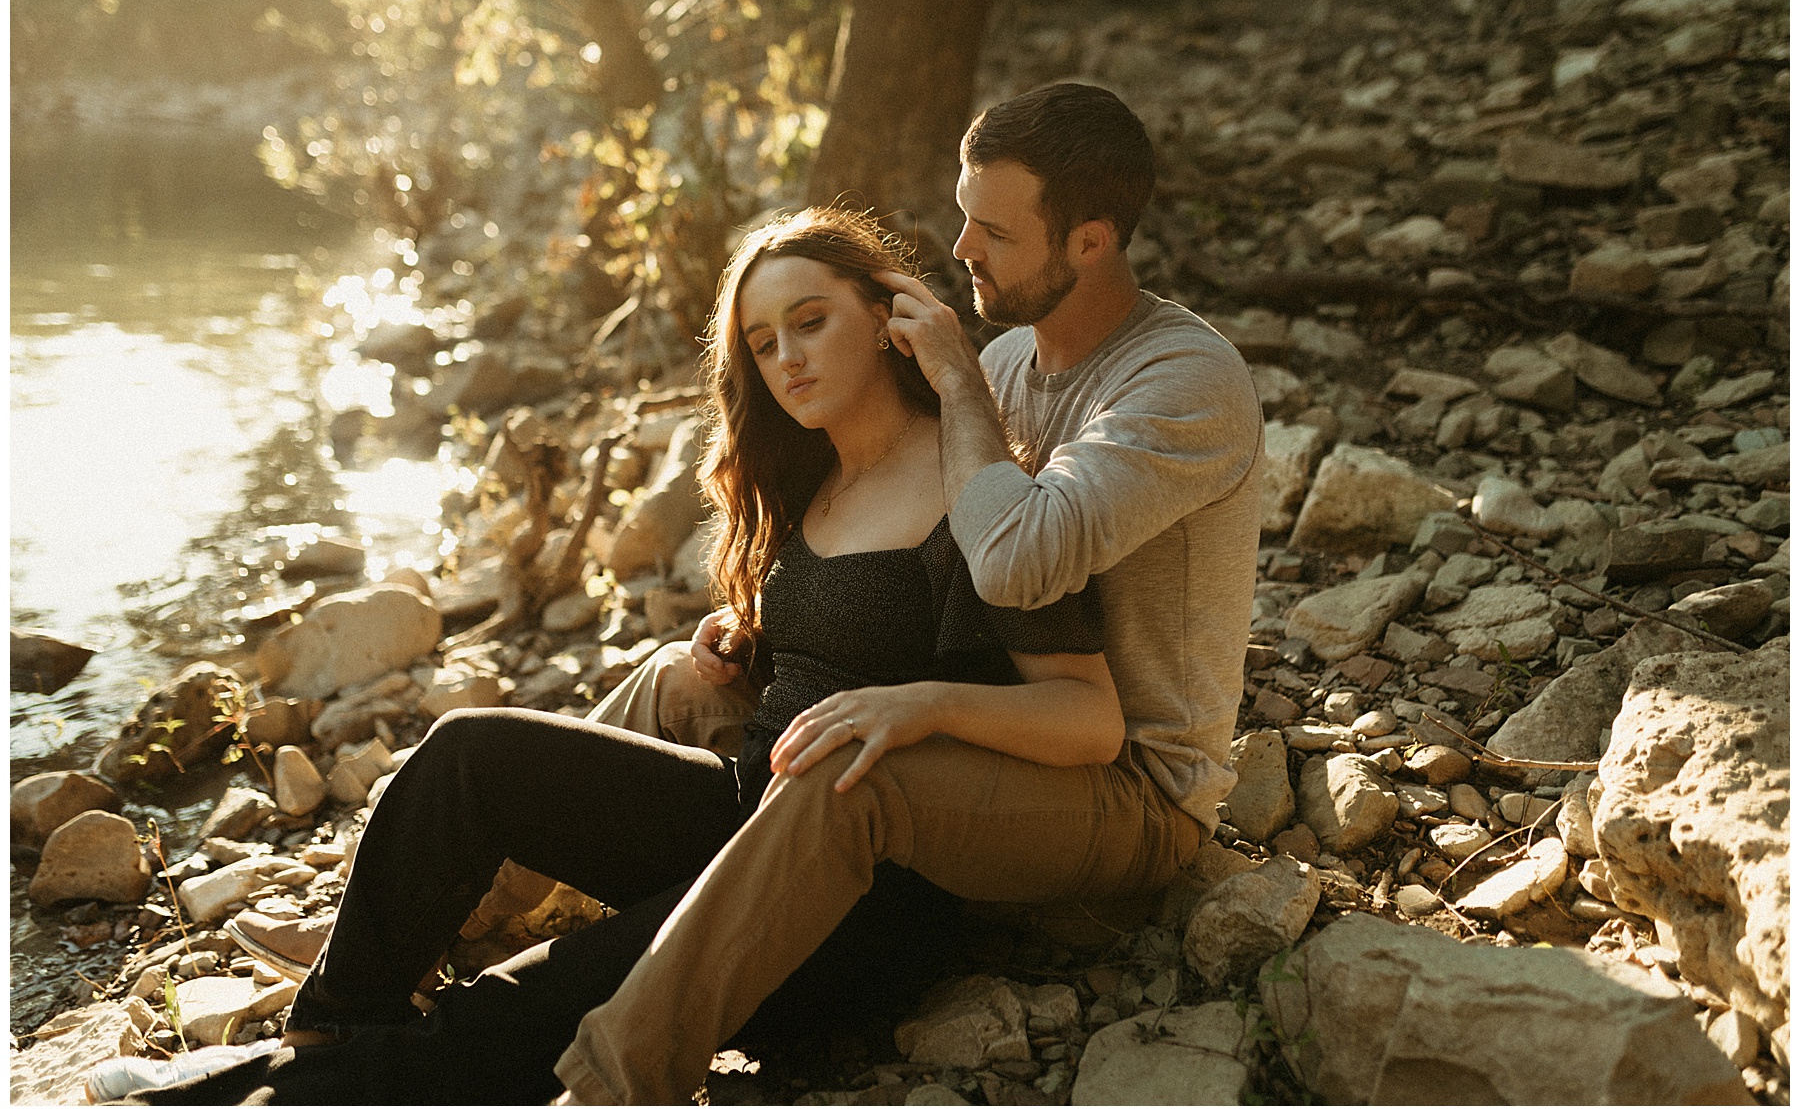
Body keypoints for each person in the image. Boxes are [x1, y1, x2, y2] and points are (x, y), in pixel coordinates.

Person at [103, 205, 1124, 1105]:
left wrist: (925, 707)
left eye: (812, 322)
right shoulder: (809, 479)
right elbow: (848, 646)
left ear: (891, 318)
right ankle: (330, 1023)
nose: (789, 360)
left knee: (533, 999)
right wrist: (746, 644)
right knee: (468, 751)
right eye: (765, 343)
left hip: (847, 902)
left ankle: (240, 1099)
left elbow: (1085, 714)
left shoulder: (978, 492)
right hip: (741, 810)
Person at [538, 82, 1264, 1103]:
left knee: (852, 768)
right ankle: (496, 898)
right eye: (963, 212)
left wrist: (961, 385)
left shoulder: (1180, 382)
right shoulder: (1010, 356)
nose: (960, 247)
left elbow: (1013, 561)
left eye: (995, 231)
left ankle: (618, 1080)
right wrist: (777, 626)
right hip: (1001, 730)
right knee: (679, 678)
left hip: (1122, 779)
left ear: (1092, 241)